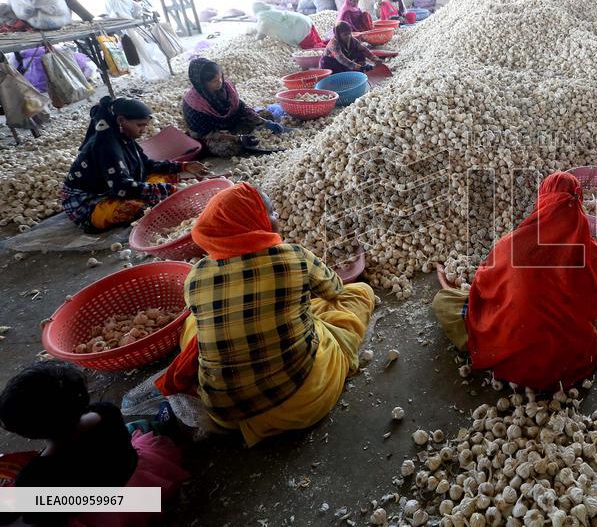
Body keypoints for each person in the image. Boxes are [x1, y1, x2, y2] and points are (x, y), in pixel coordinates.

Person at [156, 183, 375, 446]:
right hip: (302, 402)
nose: (277, 219)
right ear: (255, 220)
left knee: (194, 322)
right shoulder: (294, 257)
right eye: (271, 214)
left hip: (226, 413)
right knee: (358, 293)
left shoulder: (196, 275)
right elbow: (335, 289)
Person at [431, 172, 597, 391]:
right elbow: (591, 307)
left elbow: (483, 286)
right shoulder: (592, 253)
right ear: (578, 202)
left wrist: (454, 286)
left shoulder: (511, 246)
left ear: (543, 199)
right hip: (570, 358)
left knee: (444, 300)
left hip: (512, 353)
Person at [0, 362, 187, 525]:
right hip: (134, 478)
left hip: (101, 513)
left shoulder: (34, 476)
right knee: (137, 429)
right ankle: (167, 425)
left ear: (28, 432)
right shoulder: (106, 412)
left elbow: (40, 516)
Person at [61, 97, 209, 232]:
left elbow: (146, 164)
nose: (143, 130)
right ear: (121, 120)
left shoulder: (123, 137)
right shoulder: (106, 146)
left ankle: (162, 194)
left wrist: (183, 166)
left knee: (164, 179)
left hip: (117, 186)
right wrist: (167, 189)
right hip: (89, 202)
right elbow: (122, 187)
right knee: (136, 208)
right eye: (140, 125)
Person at [183, 58, 281, 156]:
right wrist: (238, 138)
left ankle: (250, 136)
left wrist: (264, 121)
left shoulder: (227, 87)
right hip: (214, 135)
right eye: (214, 81)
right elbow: (204, 134)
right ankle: (245, 138)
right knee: (230, 147)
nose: (220, 82)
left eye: (220, 77)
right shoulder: (193, 103)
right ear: (202, 83)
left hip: (233, 124)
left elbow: (241, 108)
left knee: (266, 115)